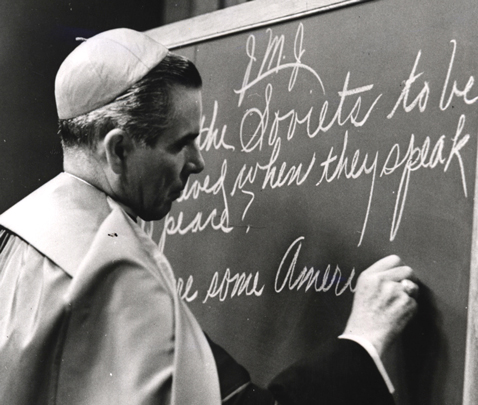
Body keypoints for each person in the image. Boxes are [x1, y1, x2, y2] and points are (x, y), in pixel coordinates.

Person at [0, 28, 418, 405]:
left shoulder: (15, 236)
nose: (198, 162)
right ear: (119, 150)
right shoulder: (116, 272)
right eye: (181, 143)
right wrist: (363, 342)